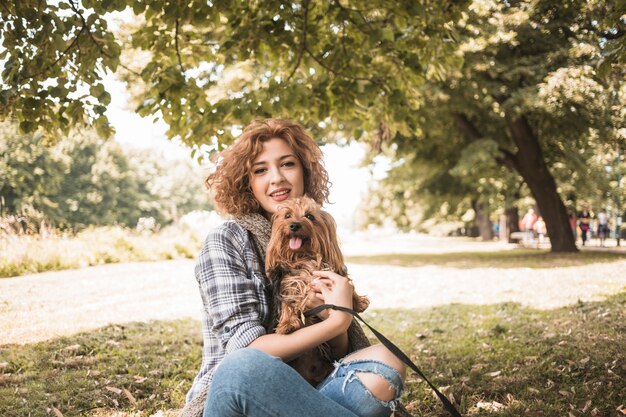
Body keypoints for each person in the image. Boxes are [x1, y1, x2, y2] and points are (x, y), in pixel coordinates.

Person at [181, 119, 406, 417]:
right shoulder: (227, 239)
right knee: (245, 365)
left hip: (305, 398)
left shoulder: (316, 238)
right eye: (260, 170)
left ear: (305, 171)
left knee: (385, 360)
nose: (276, 178)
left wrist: (331, 313)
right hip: (240, 395)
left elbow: (339, 357)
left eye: (287, 164)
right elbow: (247, 349)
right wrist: (335, 323)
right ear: (247, 183)